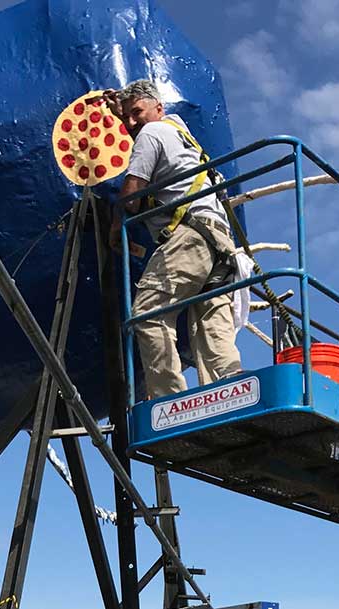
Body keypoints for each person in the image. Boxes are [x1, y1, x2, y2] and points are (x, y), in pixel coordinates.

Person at [108, 79, 244, 400]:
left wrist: (116, 225)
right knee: (211, 320)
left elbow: (132, 195)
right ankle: (231, 387)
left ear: (158, 107)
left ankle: (166, 400)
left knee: (148, 313)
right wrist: (122, 114)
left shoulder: (151, 133)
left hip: (188, 237)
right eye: (126, 117)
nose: (131, 123)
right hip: (219, 241)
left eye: (137, 113)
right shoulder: (183, 137)